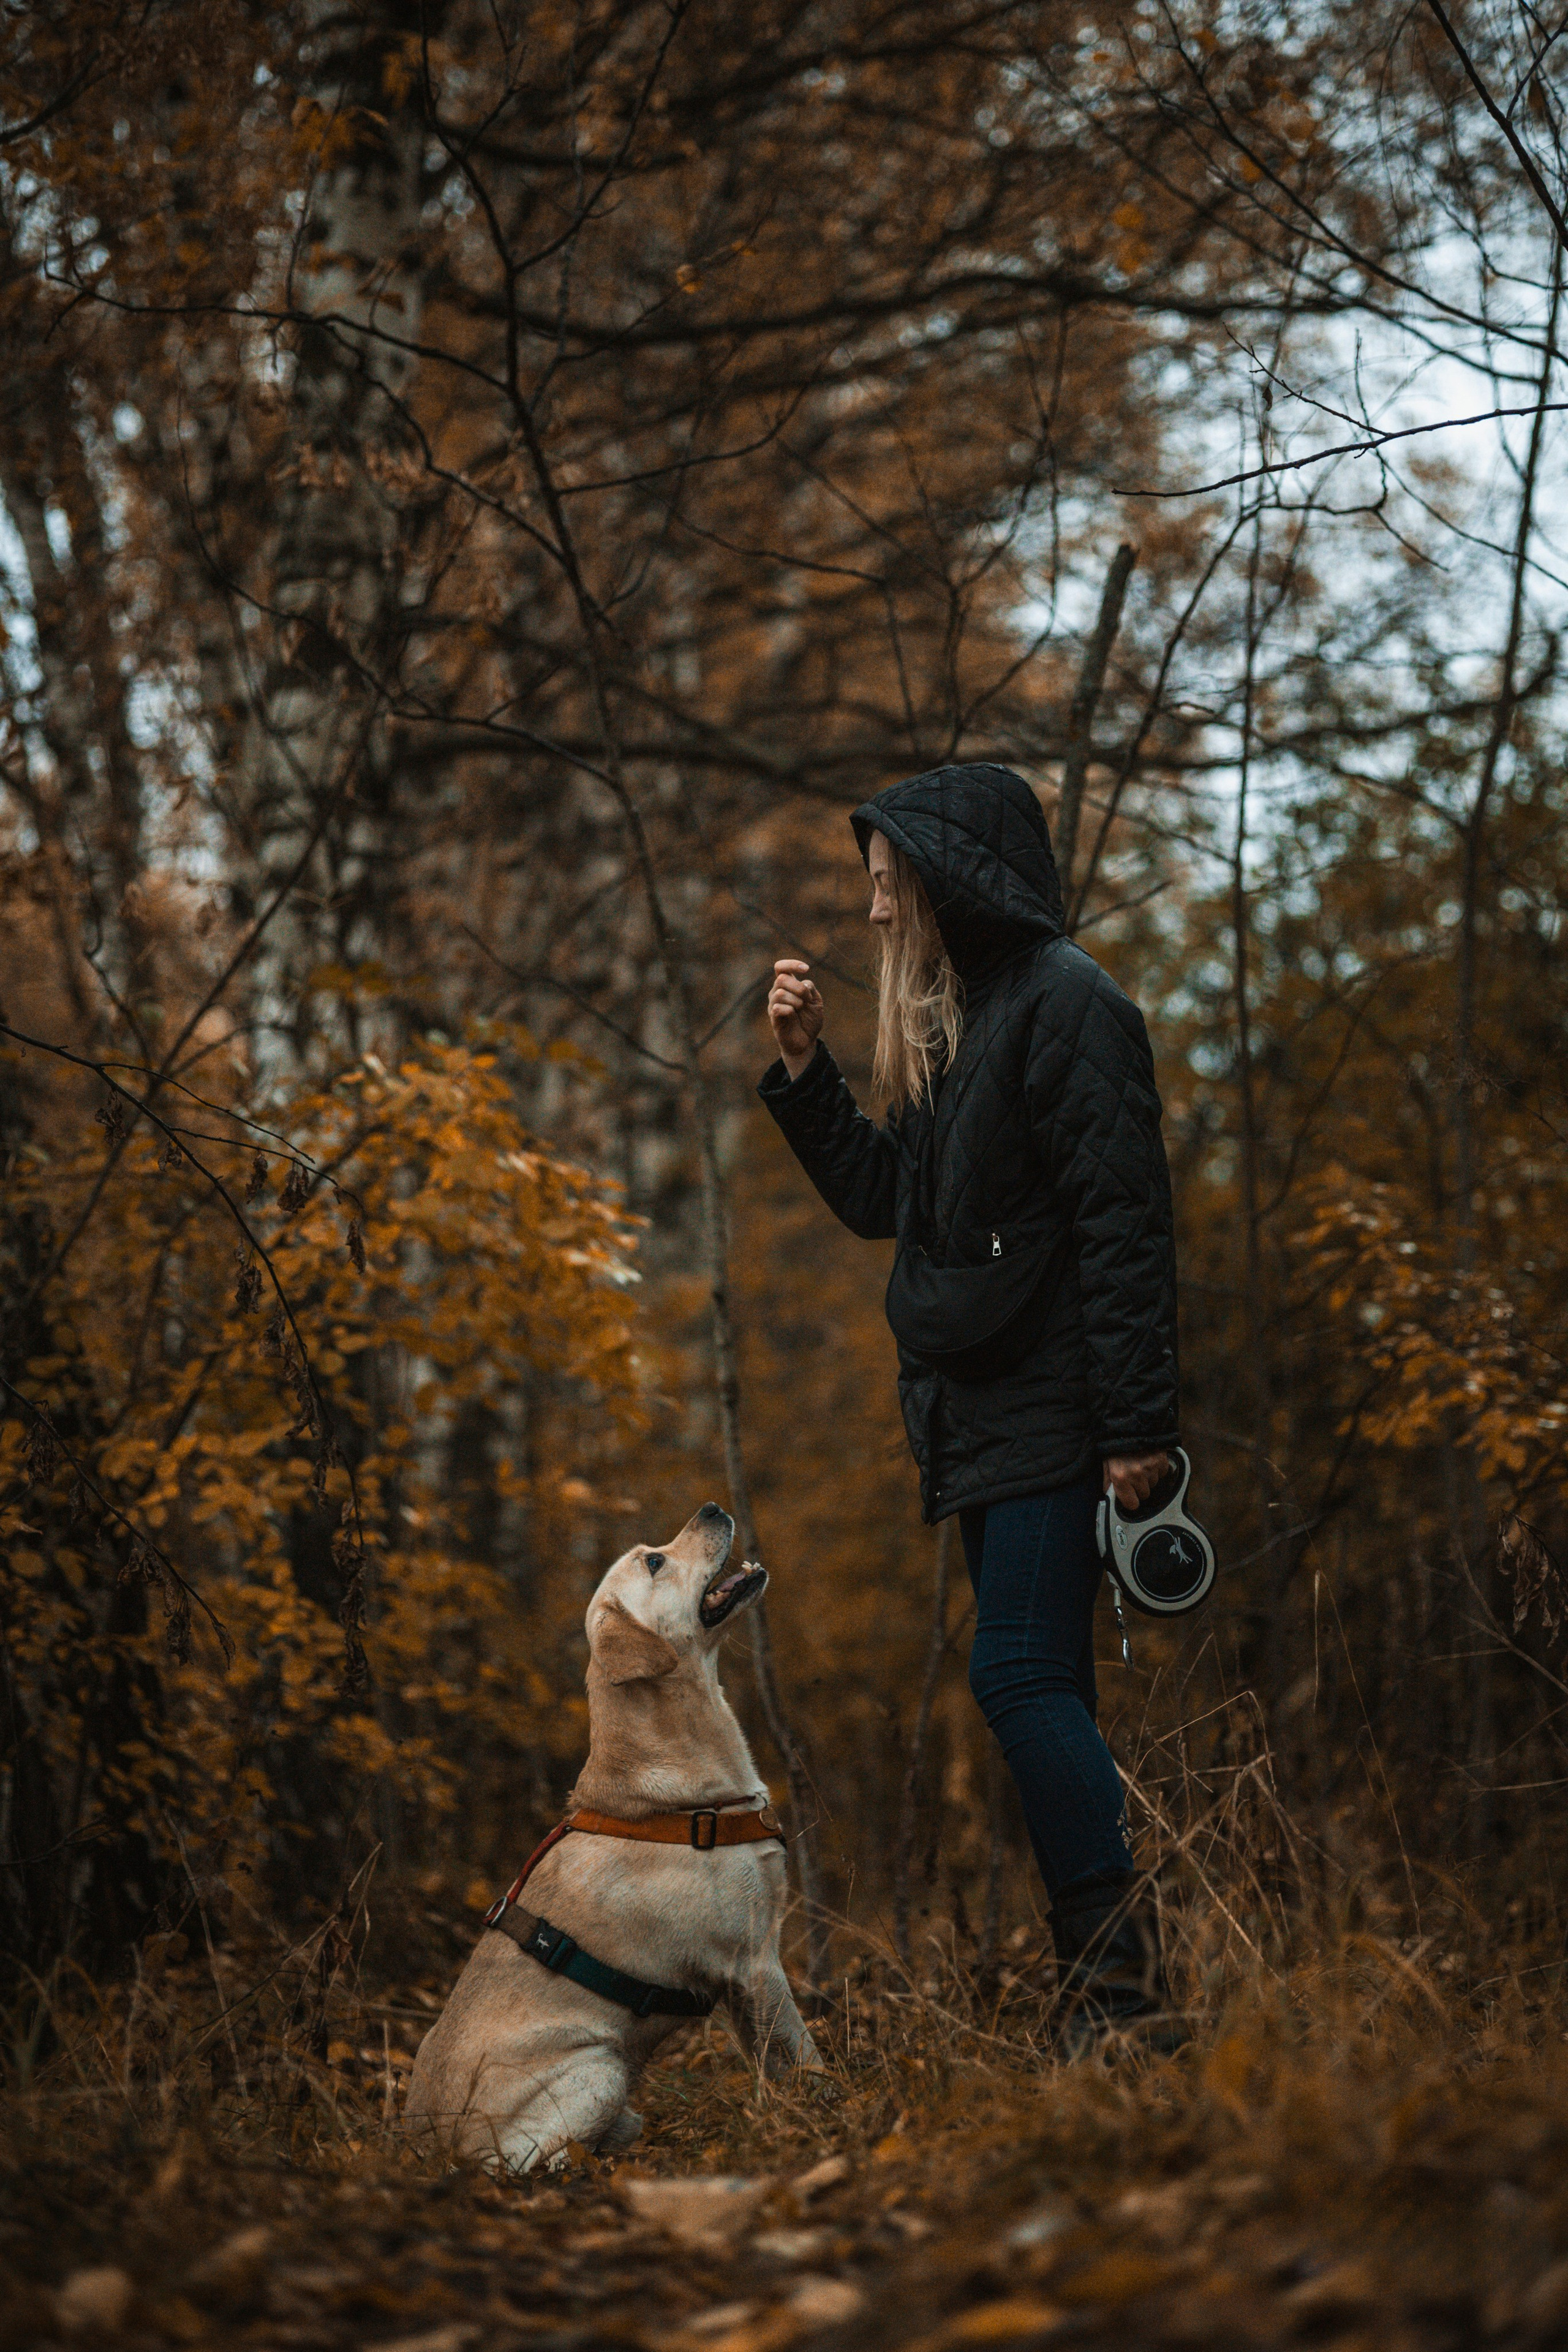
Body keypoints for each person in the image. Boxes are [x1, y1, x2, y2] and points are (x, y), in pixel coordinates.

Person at [758, 763, 1183, 2051]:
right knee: (1040, 1684)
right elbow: (894, 1204)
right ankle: (1108, 2011)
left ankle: (1118, 1999)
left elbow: (1125, 1228)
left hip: (1057, 1414)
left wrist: (1134, 1426)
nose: (875, 915)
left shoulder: (1069, 1007)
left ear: (948, 879)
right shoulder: (969, 1021)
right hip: (982, 1417)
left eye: (887, 887)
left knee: (1012, 1680)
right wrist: (803, 1070)